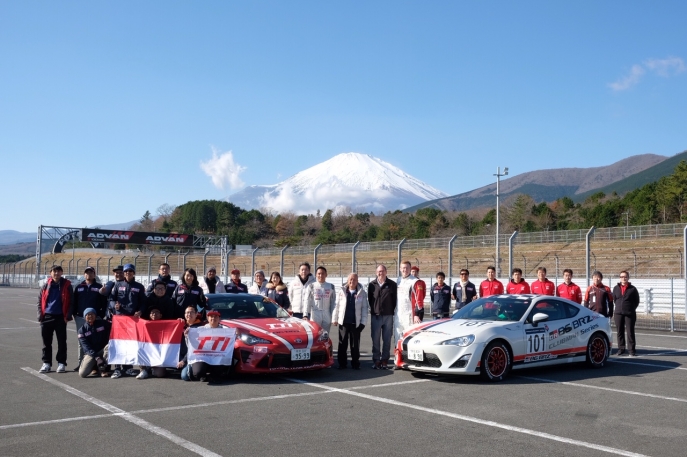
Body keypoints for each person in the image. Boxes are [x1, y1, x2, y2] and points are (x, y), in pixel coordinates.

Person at [108, 263, 146, 378]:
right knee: (118, 344)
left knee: (130, 344)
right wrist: (115, 305)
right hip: (119, 319)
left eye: (130, 271)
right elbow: (111, 299)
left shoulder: (139, 286)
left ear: (134, 273)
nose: (127, 273)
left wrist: (140, 311)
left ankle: (128, 368)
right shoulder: (117, 284)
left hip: (133, 320)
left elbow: (144, 302)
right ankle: (117, 369)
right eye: (126, 272)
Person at [37, 265, 73, 373]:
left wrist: (67, 316)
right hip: (47, 316)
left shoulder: (67, 285)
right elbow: (39, 301)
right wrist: (40, 315)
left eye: (58, 271)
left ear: (62, 273)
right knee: (46, 342)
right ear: (50, 272)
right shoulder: (45, 285)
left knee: (62, 342)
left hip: (61, 317)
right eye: (54, 271)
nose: (56, 273)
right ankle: (46, 363)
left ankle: (61, 363)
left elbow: (72, 302)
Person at [71, 266, 106, 371]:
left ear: (94, 274)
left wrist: (100, 315)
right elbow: (74, 302)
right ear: (84, 274)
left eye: (91, 272)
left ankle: (98, 364)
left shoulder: (99, 287)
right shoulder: (78, 287)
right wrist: (74, 314)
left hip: (96, 319)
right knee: (81, 341)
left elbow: (104, 303)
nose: (88, 274)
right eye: (86, 272)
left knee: (97, 340)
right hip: (81, 318)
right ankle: (81, 362)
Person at [332, 273, 368, 369]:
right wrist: (334, 319)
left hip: (355, 323)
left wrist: (363, 323)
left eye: (354, 280)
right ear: (348, 280)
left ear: (357, 281)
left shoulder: (362, 293)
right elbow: (337, 306)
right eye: (350, 279)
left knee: (355, 345)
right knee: (342, 344)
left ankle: (355, 363)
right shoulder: (342, 291)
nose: (352, 281)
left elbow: (365, 309)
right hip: (343, 322)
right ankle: (342, 363)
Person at [186, 309, 230, 382]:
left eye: (216, 316)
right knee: (197, 373)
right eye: (211, 316)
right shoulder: (199, 329)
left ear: (219, 318)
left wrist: (236, 333)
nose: (213, 318)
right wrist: (187, 336)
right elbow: (190, 345)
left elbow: (231, 342)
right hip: (202, 356)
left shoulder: (226, 330)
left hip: (217, 356)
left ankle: (214, 374)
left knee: (218, 376)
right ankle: (202, 373)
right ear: (207, 318)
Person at [367, 264, 397, 369]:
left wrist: (389, 309)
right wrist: (375, 309)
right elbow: (370, 300)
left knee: (387, 339)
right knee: (375, 339)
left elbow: (394, 300)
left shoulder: (392, 284)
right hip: (376, 316)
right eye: (379, 271)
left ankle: (384, 360)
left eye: (383, 271)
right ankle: (376, 360)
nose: (381, 273)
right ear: (376, 273)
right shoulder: (371, 285)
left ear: (386, 272)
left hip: (388, 316)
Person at [395, 261, 423, 368]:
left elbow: (419, 300)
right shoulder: (398, 280)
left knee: (410, 339)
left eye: (406, 268)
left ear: (410, 269)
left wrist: (417, 314)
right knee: (398, 338)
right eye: (402, 268)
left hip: (410, 315)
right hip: (398, 315)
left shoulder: (415, 282)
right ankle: (398, 361)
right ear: (399, 269)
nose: (404, 270)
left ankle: (410, 361)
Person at [136, 303, 174, 379]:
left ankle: (152, 368)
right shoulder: (144, 325)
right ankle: (143, 370)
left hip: (159, 354)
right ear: (149, 315)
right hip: (147, 352)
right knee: (139, 347)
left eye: (157, 312)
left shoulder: (166, 326)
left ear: (161, 315)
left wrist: (180, 321)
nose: (154, 314)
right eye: (152, 312)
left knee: (160, 374)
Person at [77, 308, 111, 378]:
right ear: (84, 317)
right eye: (88, 315)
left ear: (95, 315)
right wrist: (97, 358)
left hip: (103, 350)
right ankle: (94, 367)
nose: (90, 316)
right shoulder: (81, 330)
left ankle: (103, 369)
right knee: (82, 374)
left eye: (92, 314)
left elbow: (114, 326)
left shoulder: (103, 323)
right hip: (91, 353)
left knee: (109, 346)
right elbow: (86, 347)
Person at [613, 271, 640, 357]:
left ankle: (631, 351)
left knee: (630, 332)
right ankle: (621, 349)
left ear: (628, 278)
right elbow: (615, 300)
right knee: (619, 332)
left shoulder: (633, 289)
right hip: (618, 313)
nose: (623, 278)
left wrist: (630, 308)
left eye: (625, 277)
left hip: (629, 313)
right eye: (621, 277)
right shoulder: (616, 288)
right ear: (619, 278)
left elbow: (637, 301)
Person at [305, 266, 337, 336]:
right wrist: (305, 314)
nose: (321, 275)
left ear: (326, 275)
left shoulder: (331, 286)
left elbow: (333, 303)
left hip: (326, 313)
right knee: (315, 335)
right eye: (319, 274)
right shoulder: (311, 286)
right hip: (315, 313)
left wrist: (334, 317)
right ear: (316, 275)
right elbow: (307, 301)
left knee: (325, 335)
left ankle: (325, 347)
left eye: (323, 273)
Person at [178, 306, 202, 381]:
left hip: (192, 356)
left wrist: (184, 360)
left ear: (196, 314)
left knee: (185, 376)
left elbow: (194, 349)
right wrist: (176, 323)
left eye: (191, 312)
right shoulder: (182, 325)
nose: (189, 314)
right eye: (187, 312)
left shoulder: (200, 328)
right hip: (180, 355)